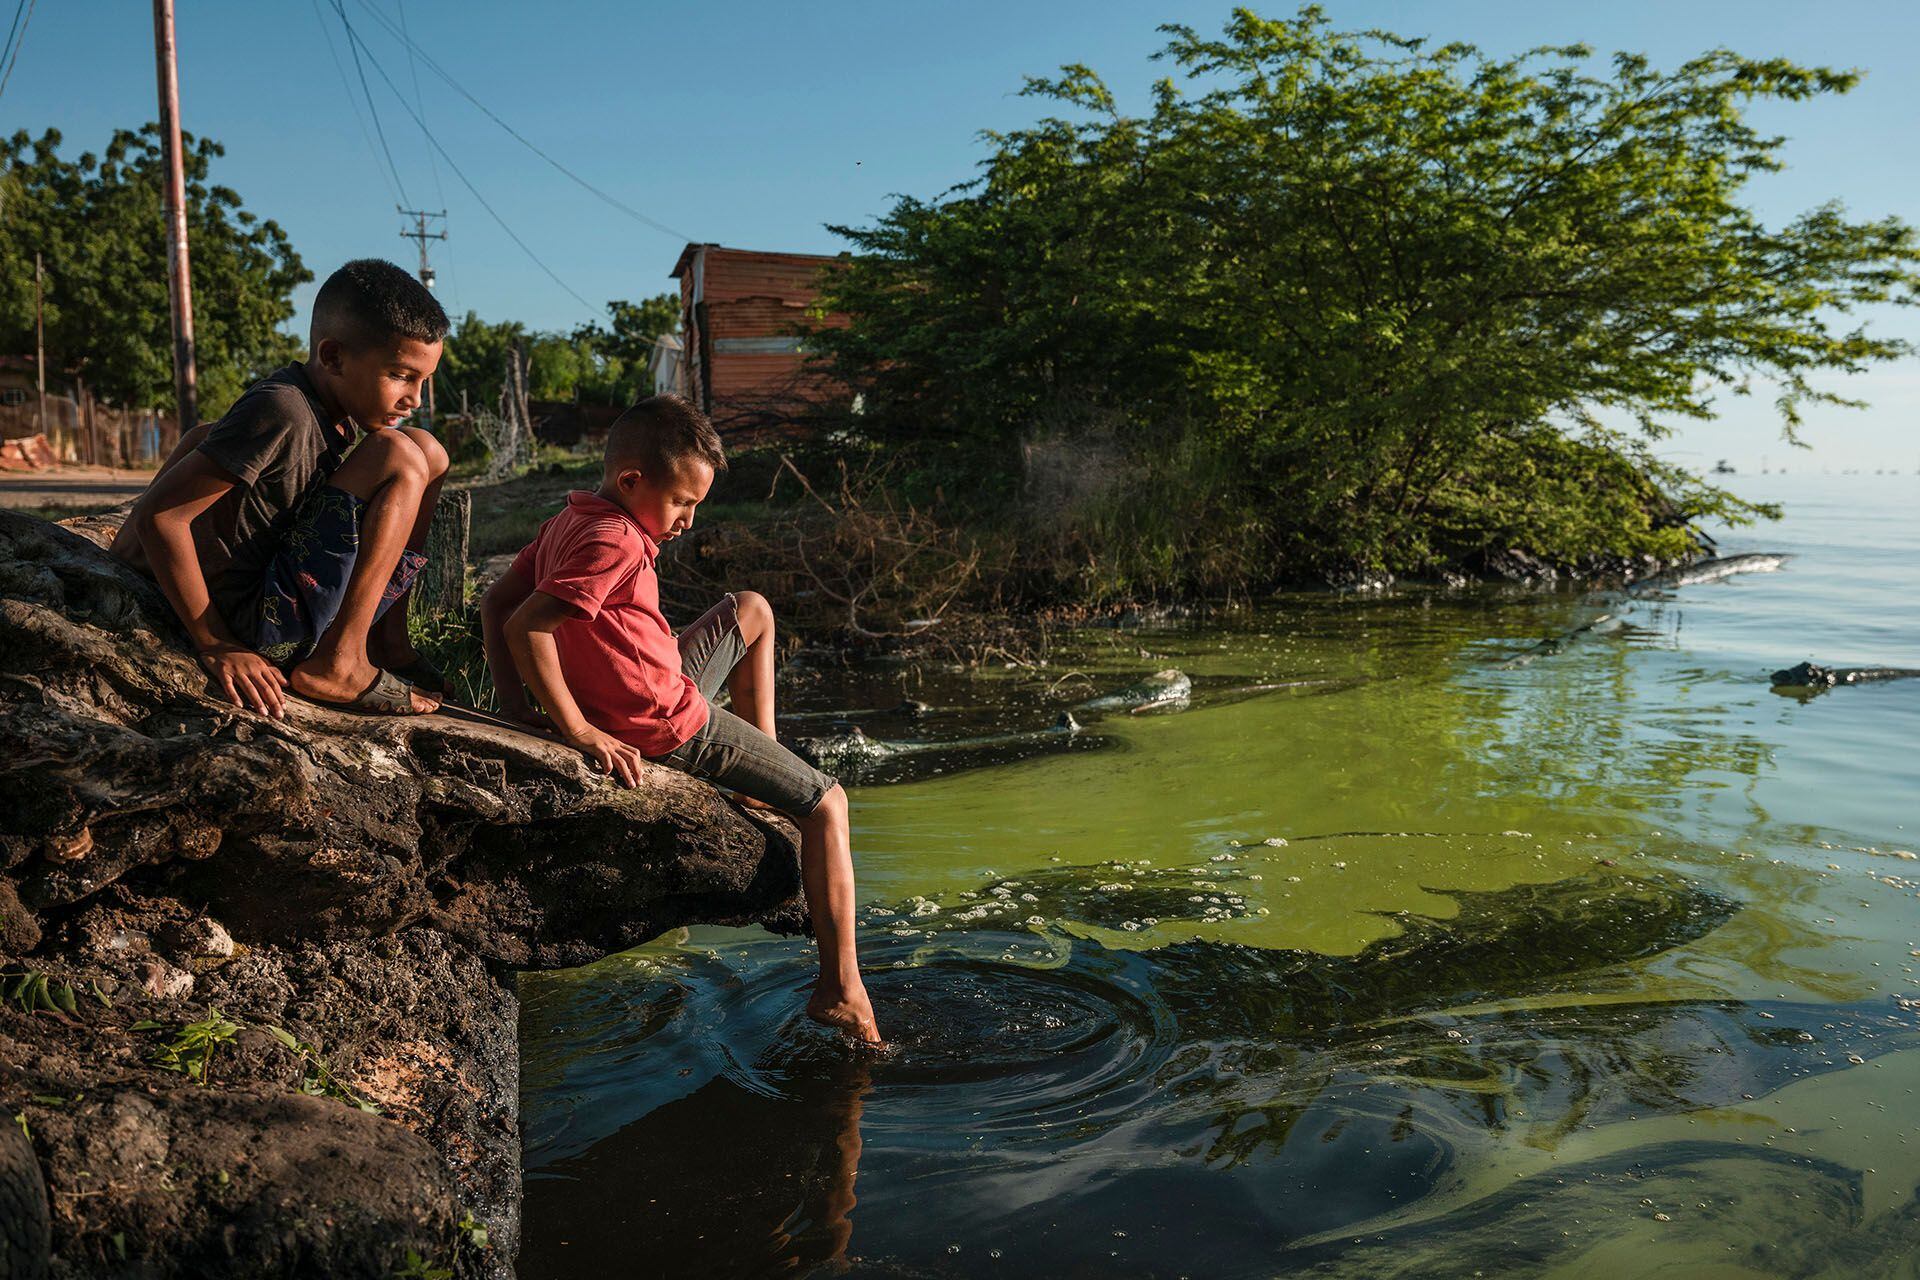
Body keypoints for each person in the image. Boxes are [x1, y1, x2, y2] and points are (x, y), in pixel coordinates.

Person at [480, 395, 881, 1044]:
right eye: (681, 504)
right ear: (633, 480)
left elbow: (495, 602)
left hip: (651, 678)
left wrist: (516, 708)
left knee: (751, 610)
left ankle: (757, 770)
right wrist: (577, 729)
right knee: (829, 803)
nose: (689, 521)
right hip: (663, 719)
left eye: (697, 506)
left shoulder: (573, 519)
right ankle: (842, 989)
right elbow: (527, 625)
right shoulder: (615, 540)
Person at [112, 259, 451, 716]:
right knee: (398, 453)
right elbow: (160, 516)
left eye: (424, 381)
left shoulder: (324, 415)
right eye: (401, 375)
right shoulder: (283, 408)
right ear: (332, 357)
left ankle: (387, 641)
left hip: (277, 599)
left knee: (428, 450)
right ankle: (340, 662)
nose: (415, 399)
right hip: (258, 622)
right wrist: (215, 642)